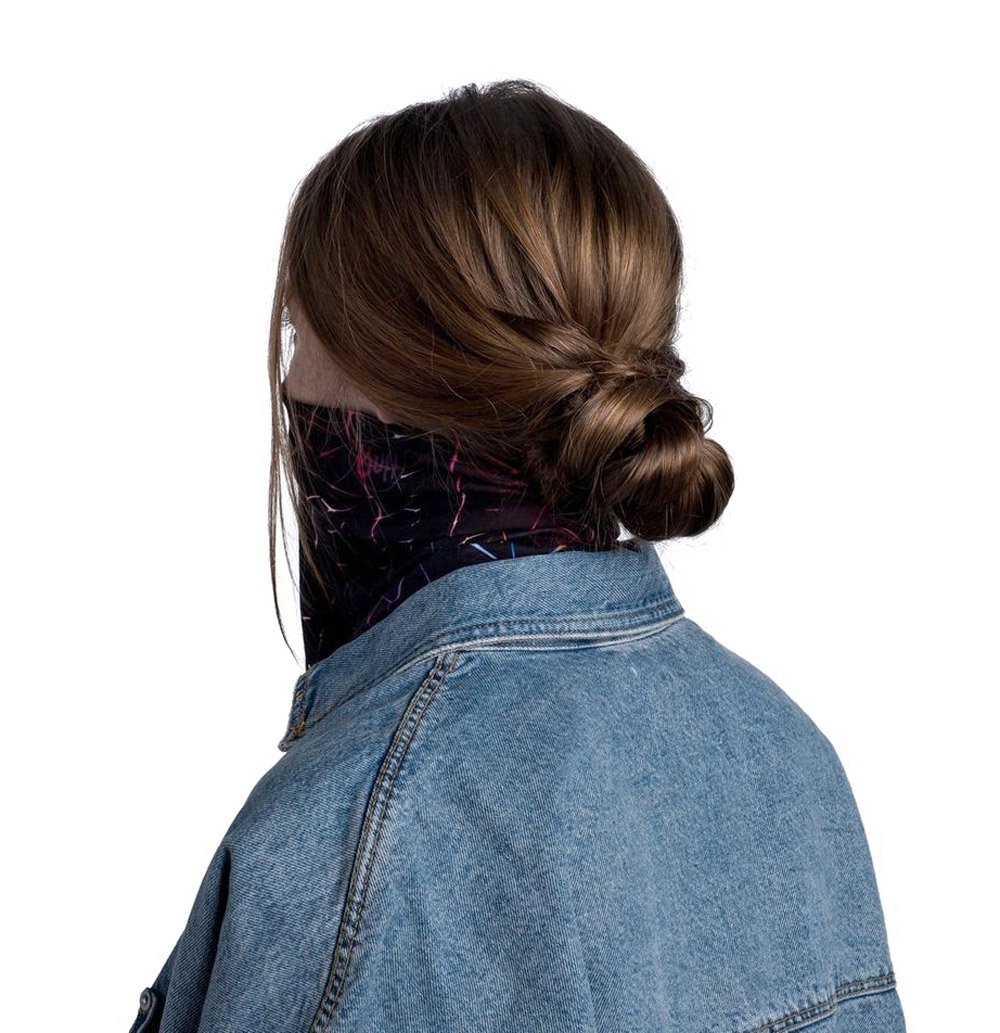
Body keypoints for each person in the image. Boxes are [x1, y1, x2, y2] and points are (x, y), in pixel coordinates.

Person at [127, 79, 906, 1032]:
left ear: (403, 377)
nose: (290, 381)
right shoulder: (780, 748)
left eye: (303, 333)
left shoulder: (362, 831)